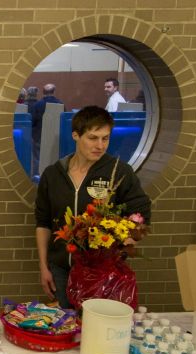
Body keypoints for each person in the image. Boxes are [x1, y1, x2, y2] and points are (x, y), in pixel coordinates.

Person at [34, 106, 151, 308]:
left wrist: (124, 243)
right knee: (68, 328)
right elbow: (43, 223)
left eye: (105, 138)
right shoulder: (53, 174)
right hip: (61, 269)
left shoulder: (119, 171)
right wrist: (44, 266)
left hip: (102, 272)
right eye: (93, 138)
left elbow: (141, 214)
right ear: (76, 135)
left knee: (98, 330)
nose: (100, 145)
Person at [30, 83, 62, 175]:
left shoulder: (37, 105)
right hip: (55, 136)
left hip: (39, 135)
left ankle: (37, 175)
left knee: (37, 157)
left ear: (43, 92)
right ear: (54, 92)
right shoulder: (60, 104)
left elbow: (33, 121)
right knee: (54, 155)